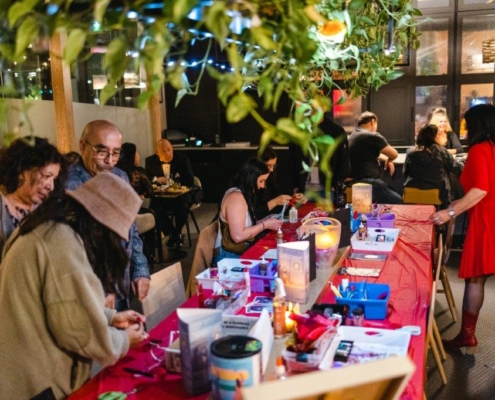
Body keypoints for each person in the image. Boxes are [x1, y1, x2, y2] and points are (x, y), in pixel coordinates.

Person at [0, 173, 148, 399]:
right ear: (100, 226)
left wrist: (108, 317)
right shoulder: (62, 243)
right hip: (35, 383)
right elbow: (79, 332)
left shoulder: (50, 227)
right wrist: (124, 340)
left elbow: (59, 305)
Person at [430, 104, 495, 354]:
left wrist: (450, 212)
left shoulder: (480, 149)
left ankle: (467, 335)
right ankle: (467, 335)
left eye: (467, 125)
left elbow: (480, 191)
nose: (465, 130)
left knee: (476, 278)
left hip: (486, 222)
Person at [66, 120, 150, 310]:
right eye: (102, 151)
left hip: (124, 282)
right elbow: (71, 251)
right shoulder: (68, 185)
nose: (109, 161)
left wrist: (141, 269)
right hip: (92, 293)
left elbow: (132, 229)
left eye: (116, 153)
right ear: (82, 146)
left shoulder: (121, 176)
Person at [0, 136, 65, 259]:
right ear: (22, 171)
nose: (51, 187)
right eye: (46, 176)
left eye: (54, 179)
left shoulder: (47, 210)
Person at [214, 157, 283, 260]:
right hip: (229, 256)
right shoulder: (236, 198)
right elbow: (238, 236)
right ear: (251, 178)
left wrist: (267, 220)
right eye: (261, 181)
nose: (263, 186)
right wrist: (265, 225)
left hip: (239, 250)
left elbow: (245, 224)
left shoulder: (244, 193)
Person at [289, 114, 350, 207]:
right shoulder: (299, 130)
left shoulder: (335, 131)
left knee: (328, 220)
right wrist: (294, 184)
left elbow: (344, 160)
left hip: (328, 188)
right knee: (304, 219)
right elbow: (292, 159)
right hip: (304, 188)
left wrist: (337, 183)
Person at [145, 138, 194, 247]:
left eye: (169, 150)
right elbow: (146, 177)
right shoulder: (150, 161)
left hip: (180, 197)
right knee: (154, 210)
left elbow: (189, 180)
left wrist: (171, 181)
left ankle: (175, 234)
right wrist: (156, 179)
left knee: (182, 208)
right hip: (161, 197)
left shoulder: (182, 160)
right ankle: (174, 234)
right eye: (164, 151)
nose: (168, 153)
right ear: (157, 152)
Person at [348, 111, 402, 204]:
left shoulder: (353, 135)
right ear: (373, 122)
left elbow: (365, 153)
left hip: (354, 180)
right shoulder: (373, 136)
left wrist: (385, 159)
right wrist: (390, 160)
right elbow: (394, 154)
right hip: (368, 181)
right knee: (397, 200)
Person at [403, 124, 464, 206]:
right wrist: (463, 163)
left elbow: (405, 172)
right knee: (454, 194)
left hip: (412, 188)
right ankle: (449, 215)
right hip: (438, 190)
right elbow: (456, 168)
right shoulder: (441, 150)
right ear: (435, 137)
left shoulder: (410, 151)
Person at [254, 146, 292, 219]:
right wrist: (275, 202)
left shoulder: (271, 179)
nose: (271, 170)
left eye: (273, 166)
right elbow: (254, 213)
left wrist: (291, 200)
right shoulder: (251, 182)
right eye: (268, 166)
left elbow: (278, 209)